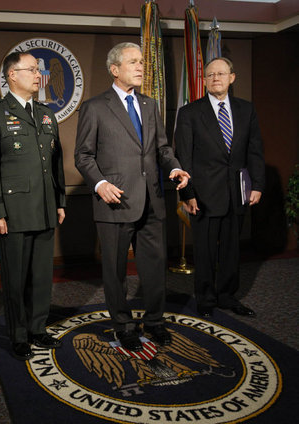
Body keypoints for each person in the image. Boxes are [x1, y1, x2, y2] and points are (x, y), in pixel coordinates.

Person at [74, 42, 190, 352]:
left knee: (154, 268)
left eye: (141, 62)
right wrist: (99, 184)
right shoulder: (95, 107)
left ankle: (154, 323)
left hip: (152, 199)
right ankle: (123, 326)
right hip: (115, 200)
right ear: (114, 69)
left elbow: (162, 148)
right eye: (133, 62)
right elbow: (83, 155)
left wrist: (175, 168)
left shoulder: (151, 105)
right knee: (114, 272)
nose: (141, 67)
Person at [0, 52, 66, 360]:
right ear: (12, 75)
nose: (39, 75)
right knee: (15, 277)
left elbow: (56, 165)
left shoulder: (45, 114)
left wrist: (60, 201)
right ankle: (18, 335)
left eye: (39, 70)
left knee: (41, 276)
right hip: (13, 212)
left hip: (44, 207)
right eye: (31, 70)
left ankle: (38, 329)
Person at [174, 57, 265, 318]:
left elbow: (254, 151)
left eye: (221, 74)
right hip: (202, 196)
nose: (216, 78)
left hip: (237, 192)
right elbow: (184, 157)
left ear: (232, 78)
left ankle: (227, 296)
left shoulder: (246, 110)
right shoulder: (190, 112)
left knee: (230, 249)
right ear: (204, 80)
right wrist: (187, 194)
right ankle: (205, 301)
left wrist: (257, 185)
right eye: (211, 74)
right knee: (204, 251)